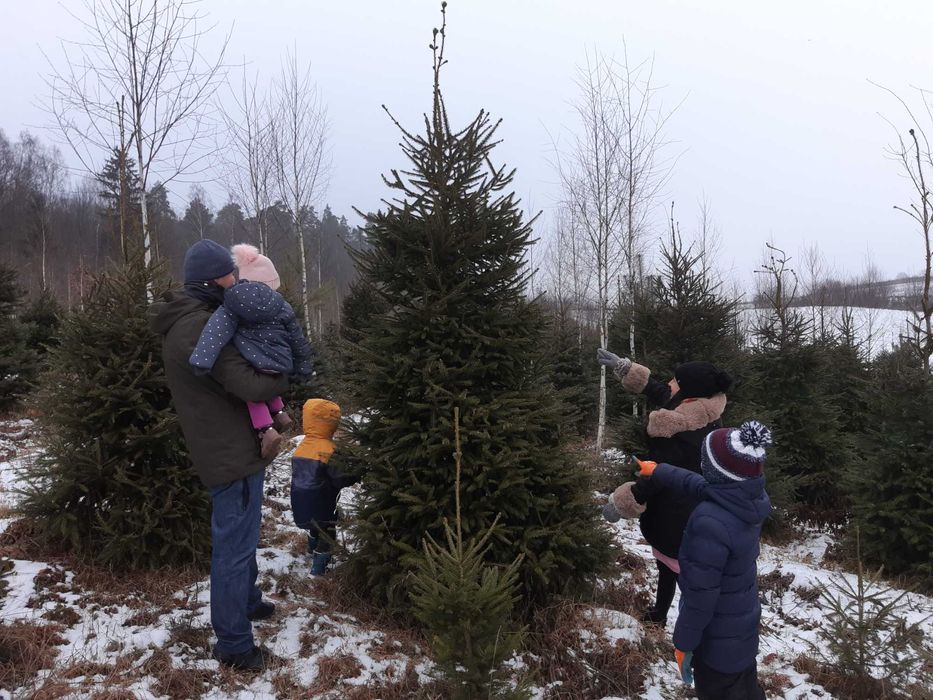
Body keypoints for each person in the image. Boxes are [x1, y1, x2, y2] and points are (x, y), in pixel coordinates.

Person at [149, 239, 289, 672]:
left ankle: (247, 602)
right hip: (228, 454)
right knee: (233, 546)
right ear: (214, 279)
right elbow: (248, 384)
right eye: (230, 275)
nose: (235, 282)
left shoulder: (194, 318)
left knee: (243, 537)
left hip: (230, 446)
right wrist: (286, 370)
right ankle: (233, 644)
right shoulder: (197, 327)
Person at [632, 421, 772, 700]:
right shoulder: (745, 498)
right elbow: (697, 484)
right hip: (740, 633)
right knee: (747, 689)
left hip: (715, 648)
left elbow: (700, 598)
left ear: (716, 473)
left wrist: (683, 645)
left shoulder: (709, 523)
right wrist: (659, 470)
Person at [598, 349, 733, 625]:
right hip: (692, 509)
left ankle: (700, 628)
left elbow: (659, 476)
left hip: (677, 512)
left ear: (689, 393)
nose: (670, 383)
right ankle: (660, 614)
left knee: (680, 567)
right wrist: (627, 369)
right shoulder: (700, 410)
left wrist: (621, 504)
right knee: (667, 565)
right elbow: (663, 393)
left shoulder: (680, 433)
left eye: (676, 381)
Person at [189, 243, 312, 459]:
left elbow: (215, 333)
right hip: (281, 362)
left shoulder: (232, 303)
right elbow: (298, 339)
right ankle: (280, 412)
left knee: (252, 395)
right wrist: (303, 368)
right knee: (269, 379)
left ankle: (265, 429)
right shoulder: (282, 305)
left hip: (253, 360)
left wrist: (202, 359)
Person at [290, 398, 358, 576]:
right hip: (323, 501)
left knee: (313, 524)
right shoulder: (330, 450)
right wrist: (357, 473)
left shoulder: (302, 447)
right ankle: (319, 568)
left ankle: (311, 549)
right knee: (327, 531)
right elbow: (340, 479)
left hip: (300, 499)